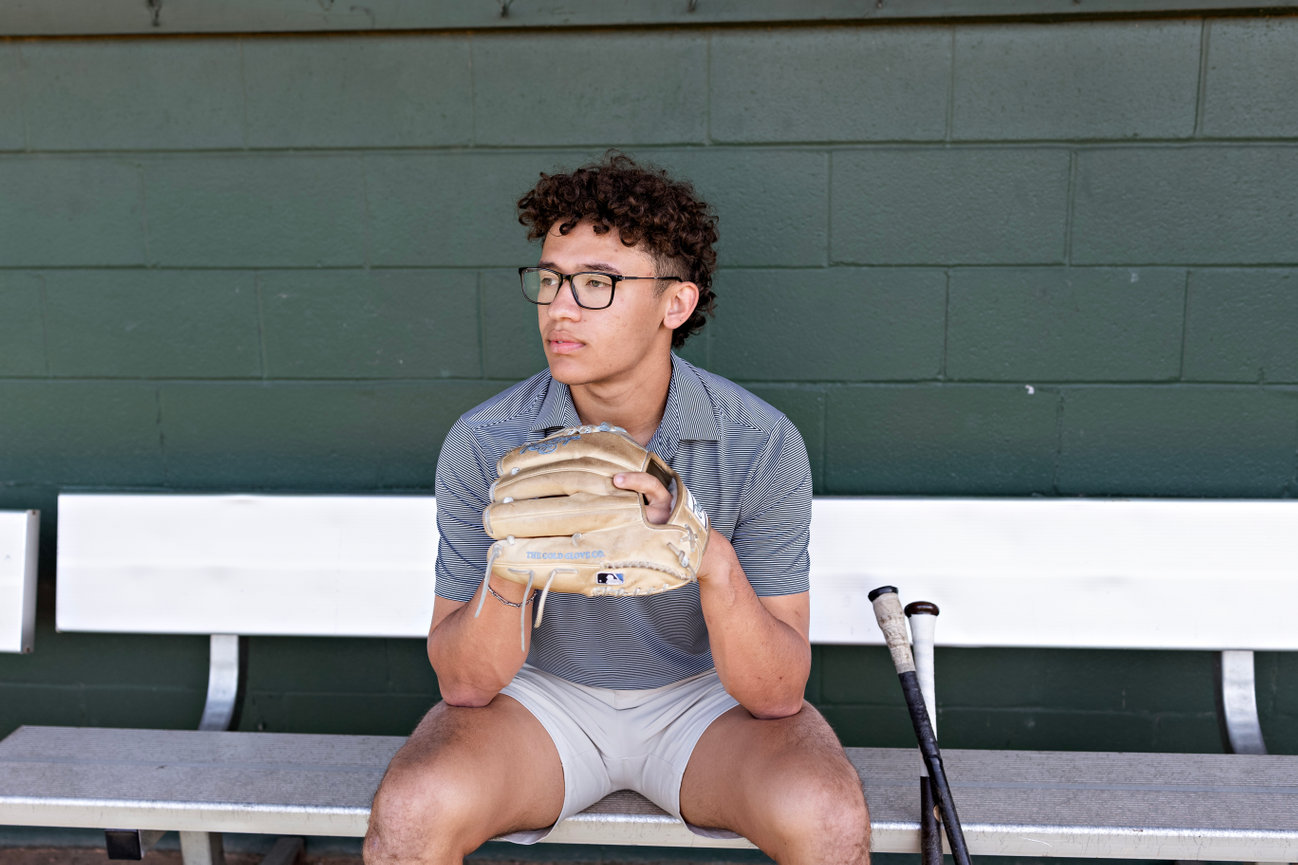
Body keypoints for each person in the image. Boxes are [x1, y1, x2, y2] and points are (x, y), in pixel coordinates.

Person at [364, 153, 870, 865]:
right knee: (412, 811)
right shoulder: (487, 440)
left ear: (676, 304)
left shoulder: (760, 441)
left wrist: (708, 555)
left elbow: (778, 693)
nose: (560, 308)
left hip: (703, 704)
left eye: (597, 283)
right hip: (543, 702)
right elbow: (464, 683)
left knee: (826, 813)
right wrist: (510, 568)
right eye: (549, 280)